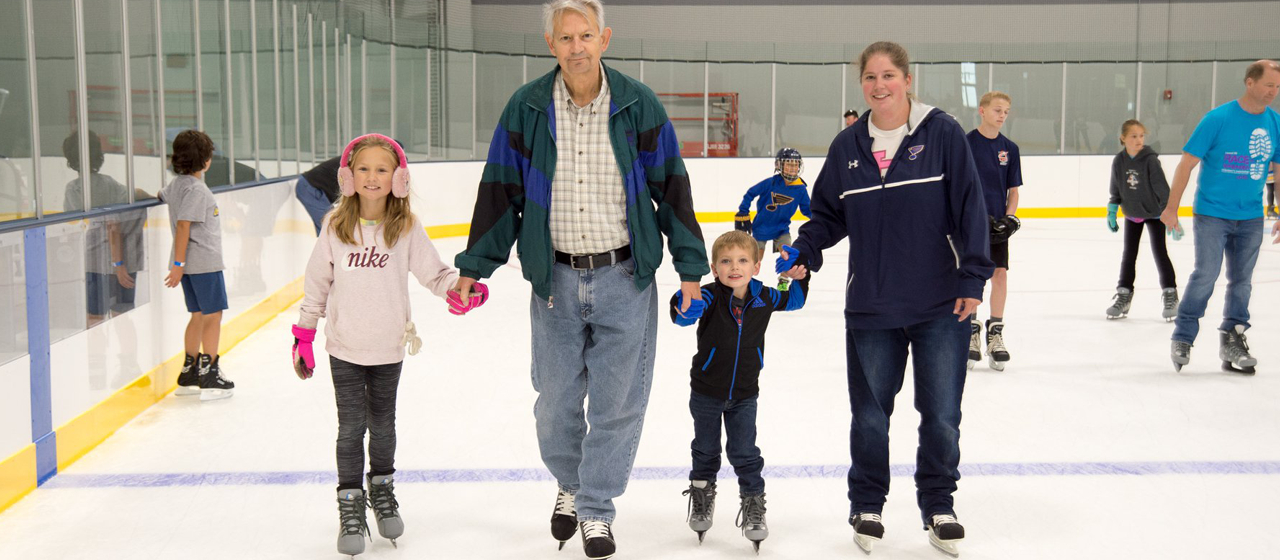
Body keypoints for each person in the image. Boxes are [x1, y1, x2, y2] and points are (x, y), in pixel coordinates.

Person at [452, 1, 709, 558]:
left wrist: (691, 269)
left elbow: (673, 188)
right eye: (565, 37)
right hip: (555, 281)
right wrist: (474, 267)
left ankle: (596, 507)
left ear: (605, 38)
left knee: (618, 404)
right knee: (555, 403)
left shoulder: (638, 104)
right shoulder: (527, 108)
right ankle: (570, 484)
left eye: (586, 35)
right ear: (551, 44)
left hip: (625, 275)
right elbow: (500, 192)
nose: (577, 46)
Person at [777, 41, 992, 557]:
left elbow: (971, 207)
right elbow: (828, 215)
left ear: (908, 79)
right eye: (871, 77)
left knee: (941, 413)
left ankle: (938, 503)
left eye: (889, 75)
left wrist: (972, 278)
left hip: (942, 304)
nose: (880, 85)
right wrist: (807, 248)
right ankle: (867, 503)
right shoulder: (848, 146)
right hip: (872, 306)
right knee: (870, 415)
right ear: (863, 85)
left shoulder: (941, 134)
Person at [290, 134, 487, 557]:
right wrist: (304, 335)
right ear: (347, 176)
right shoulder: (334, 224)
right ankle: (349, 503)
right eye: (364, 169)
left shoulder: (406, 228)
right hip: (343, 345)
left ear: (398, 178)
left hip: (388, 347)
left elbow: (434, 274)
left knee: (382, 426)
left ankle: (381, 489)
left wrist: (458, 289)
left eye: (382, 169)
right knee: (349, 428)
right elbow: (316, 285)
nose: (373, 177)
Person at [671, 230, 810, 551]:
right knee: (705, 449)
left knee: (745, 452)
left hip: (745, 393)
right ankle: (703, 495)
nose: (734, 267)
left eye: (743, 260)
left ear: (757, 266)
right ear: (714, 267)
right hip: (706, 391)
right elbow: (684, 312)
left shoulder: (765, 297)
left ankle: (753, 503)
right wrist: (682, 305)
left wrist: (794, 277)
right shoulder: (709, 296)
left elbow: (794, 300)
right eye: (726, 261)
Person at [1162, 60, 1280, 374]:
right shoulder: (1218, 119)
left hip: (1252, 215)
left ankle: (1233, 338)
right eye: (1269, 85)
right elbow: (1186, 164)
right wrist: (1172, 208)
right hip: (1212, 213)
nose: (1274, 92)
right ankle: (1183, 336)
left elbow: (1279, 170)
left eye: (1277, 87)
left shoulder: (1275, 123)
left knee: (1241, 282)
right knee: (1206, 274)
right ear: (1250, 83)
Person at [158, 130, 234, 401]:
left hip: (190, 266)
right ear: (205, 160)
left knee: (198, 315)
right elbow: (183, 226)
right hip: (203, 262)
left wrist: (180, 264)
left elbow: (161, 196)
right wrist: (178, 264)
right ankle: (210, 374)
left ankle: (189, 372)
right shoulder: (197, 189)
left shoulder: (176, 185)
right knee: (213, 316)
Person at [965, 91, 1022, 371]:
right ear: (982, 111)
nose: (1002, 115)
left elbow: (1013, 192)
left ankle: (995, 332)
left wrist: (1009, 219)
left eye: (1006, 111)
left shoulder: (1009, 148)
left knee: (1000, 274)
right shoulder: (964, 143)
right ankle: (971, 332)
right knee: (974, 276)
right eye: (997, 109)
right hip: (970, 224)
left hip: (997, 226)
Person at [1104, 119, 1178, 321]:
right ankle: (1124, 295)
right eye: (1133, 136)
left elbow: (1163, 190)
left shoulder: (1150, 160)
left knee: (1159, 252)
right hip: (1133, 214)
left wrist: (1170, 215)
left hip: (1155, 213)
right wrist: (1112, 210)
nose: (1138, 140)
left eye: (1141, 136)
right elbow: (1116, 189)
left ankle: (1170, 294)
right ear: (1123, 138)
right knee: (1129, 254)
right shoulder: (1119, 161)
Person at [734, 147, 811, 290]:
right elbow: (750, 193)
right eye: (788, 164)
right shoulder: (771, 183)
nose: (792, 168)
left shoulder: (800, 188)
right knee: (756, 258)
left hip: (782, 228)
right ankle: (745, 281)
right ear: (779, 165)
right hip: (761, 228)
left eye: (795, 164)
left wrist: (819, 219)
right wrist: (743, 210)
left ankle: (783, 280)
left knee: (787, 254)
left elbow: (807, 209)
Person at [296, 156, 342, 235]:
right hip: (310, 187)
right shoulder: (352, 162)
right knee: (330, 227)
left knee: (331, 226)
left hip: (319, 189)